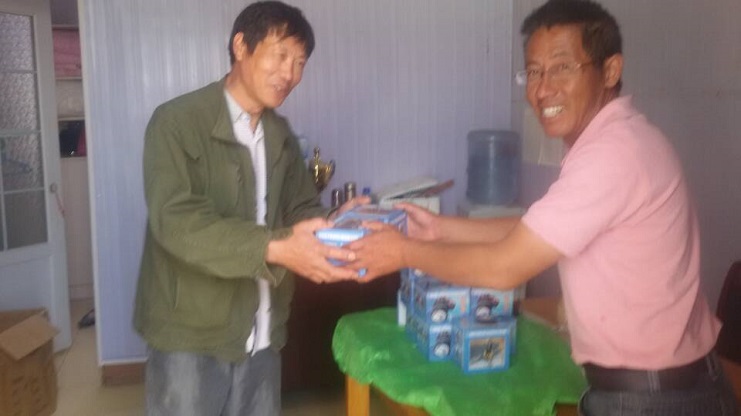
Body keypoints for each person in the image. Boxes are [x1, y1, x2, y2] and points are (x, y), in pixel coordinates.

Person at [348, 1, 739, 414]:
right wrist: (439, 228)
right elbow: (537, 227)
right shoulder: (615, 140)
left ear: (610, 70)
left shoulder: (613, 155)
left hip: (657, 400)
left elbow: (504, 267)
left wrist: (402, 252)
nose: (542, 88)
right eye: (533, 72)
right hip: (657, 388)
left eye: (562, 67)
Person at [133, 2, 364, 415]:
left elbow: (300, 207)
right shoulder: (176, 122)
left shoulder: (280, 133)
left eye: (300, 62)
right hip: (191, 336)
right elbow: (177, 223)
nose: (290, 73)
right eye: (281, 54)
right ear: (241, 46)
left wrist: (337, 223)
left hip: (263, 333)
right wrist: (273, 248)